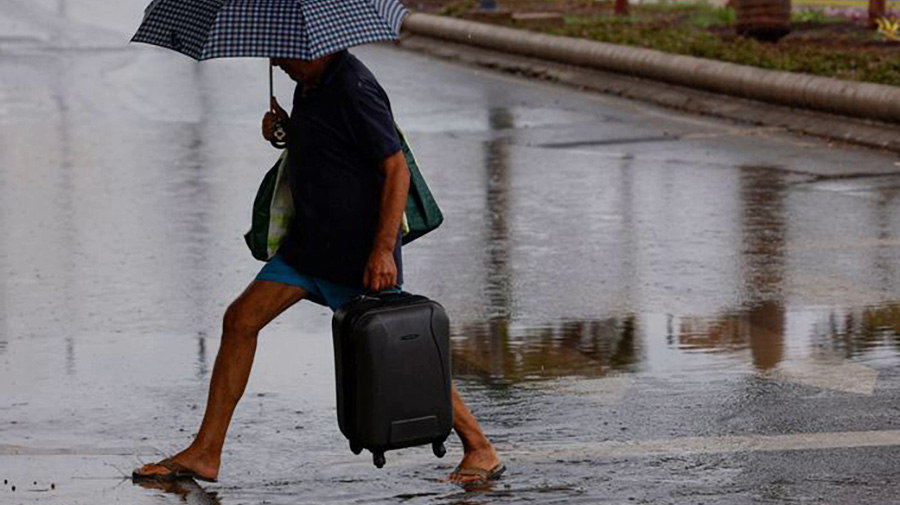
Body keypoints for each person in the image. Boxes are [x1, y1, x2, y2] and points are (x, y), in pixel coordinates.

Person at [133, 50, 504, 486]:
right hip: (307, 248)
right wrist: (287, 131)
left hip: (355, 258)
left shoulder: (354, 87)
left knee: (402, 355)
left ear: (313, 47)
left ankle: (480, 447)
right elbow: (331, 146)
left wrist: (384, 251)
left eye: (283, 55)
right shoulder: (310, 82)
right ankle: (206, 452)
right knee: (240, 320)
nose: (278, 64)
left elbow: (396, 169)